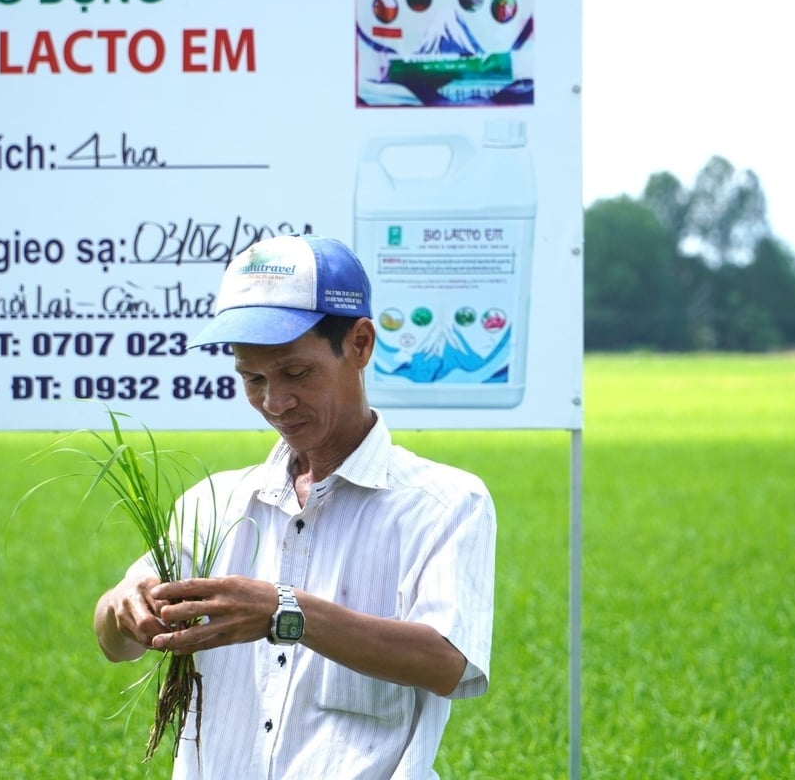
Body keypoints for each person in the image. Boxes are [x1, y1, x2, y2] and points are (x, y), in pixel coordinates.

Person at [93, 234, 496, 779]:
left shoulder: (443, 504)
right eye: (252, 379)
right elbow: (115, 644)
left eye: (296, 374)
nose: (274, 401)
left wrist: (286, 613)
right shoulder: (216, 504)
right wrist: (123, 606)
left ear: (359, 344)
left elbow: (447, 663)